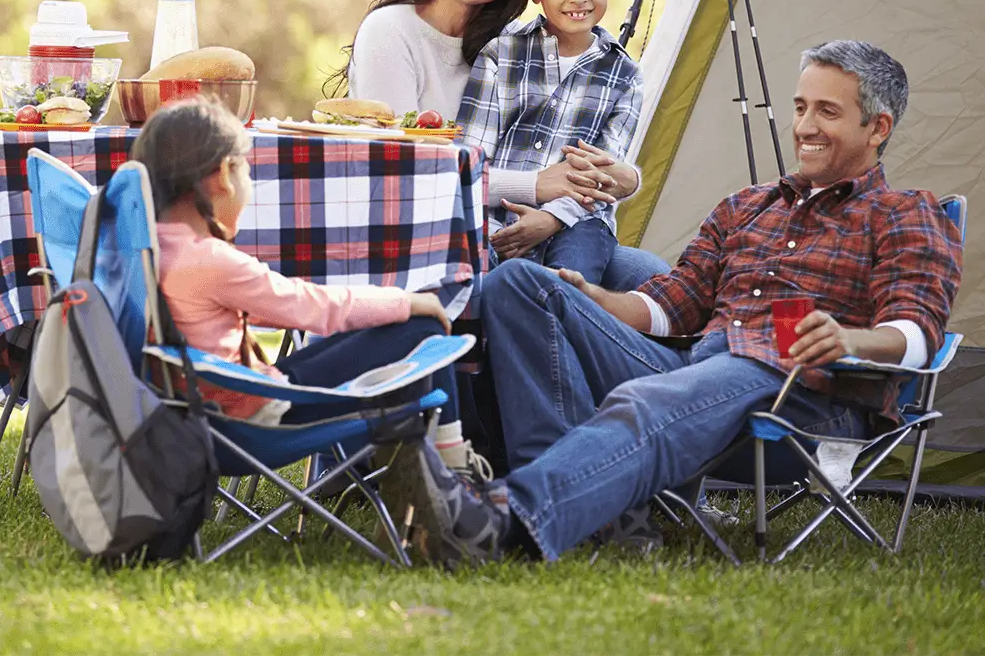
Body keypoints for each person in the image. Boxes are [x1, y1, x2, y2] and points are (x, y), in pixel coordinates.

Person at [376, 40, 964, 565]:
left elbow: (919, 331)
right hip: (699, 370)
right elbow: (672, 303)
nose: (805, 126)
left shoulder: (907, 213)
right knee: (519, 286)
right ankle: (600, 517)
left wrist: (849, 340)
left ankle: (500, 520)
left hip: (802, 403)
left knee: (657, 392)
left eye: (827, 112)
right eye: (801, 107)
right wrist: (592, 299)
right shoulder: (748, 206)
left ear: (878, 128)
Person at [331, 0, 669, 292]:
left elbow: (605, 156)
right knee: (526, 286)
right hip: (417, 221)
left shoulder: (506, 42)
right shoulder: (393, 32)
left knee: (649, 276)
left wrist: (626, 180)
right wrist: (537, 184)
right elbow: (402, 170)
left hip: (551, 222)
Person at [130, 97, 489, 480]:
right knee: (422, 329)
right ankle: (455, 473)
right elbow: (314, 308)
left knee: (392, 325)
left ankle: (424, 467)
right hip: (256, 423)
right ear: (222, 175)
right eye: (247, 173)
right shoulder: (208, 261)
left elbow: (278, 306)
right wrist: (409, 301)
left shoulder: (151, 248)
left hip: (204, 418)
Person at [456, 0, 642, 284]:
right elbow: (468, 163)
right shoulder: (501, 55)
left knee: (567, 287)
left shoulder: (625, 77)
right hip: (494, 219)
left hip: (579, 222)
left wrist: (552, 217)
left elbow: (604, 175)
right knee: (489, 283)